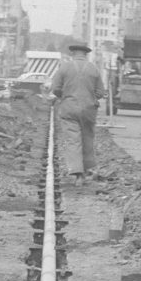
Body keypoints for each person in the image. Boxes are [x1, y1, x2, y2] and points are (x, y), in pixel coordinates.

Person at [48, 41, 105, 187]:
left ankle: (77, 173)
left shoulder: (64, 68)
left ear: (72, 53)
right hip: (88, 110)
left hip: (69, 109)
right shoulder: (94, 69)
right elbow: (100, 92)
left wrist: (65, 95)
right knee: (87, 139)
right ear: (86, 54)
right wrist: (89, 98)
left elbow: (55, 88)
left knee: (73, 140)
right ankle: (85, 171)